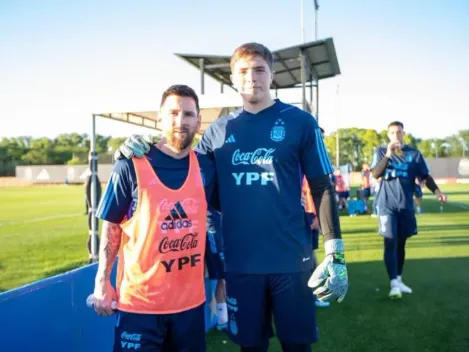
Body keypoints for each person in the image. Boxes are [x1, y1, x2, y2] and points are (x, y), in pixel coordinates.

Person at [117, 42, 348, 352]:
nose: (251, 77)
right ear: (233, 79)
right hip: (240, 264)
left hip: (292, 261)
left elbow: (322, 188)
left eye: (259, 70)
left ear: (272, 74)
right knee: (251, 347)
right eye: (243, 71)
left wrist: (336, 251)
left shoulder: (300, 122)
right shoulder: (218, 132)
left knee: (297, 346)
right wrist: (142, 146)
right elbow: (181, 165)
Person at [92, 84, 223, 351]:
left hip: (190, 306)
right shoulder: (129, 163)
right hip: (140, 305)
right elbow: (111, 226)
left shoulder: (207, 167)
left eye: (188, 114)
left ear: (198, 121)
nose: (180, 121)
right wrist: (101, 280)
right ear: (159, 118)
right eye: (173, 113)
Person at [371, 121, 447, 300]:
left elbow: (425, 176)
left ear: (403, 133)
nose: (396, 135)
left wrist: (437, 192)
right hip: (386, 205)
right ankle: (393, 284)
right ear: (388, 135)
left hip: (405, 205)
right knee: (390, 242)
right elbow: (375, 173)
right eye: (392, 132)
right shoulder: (381, 152)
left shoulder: (414, 154)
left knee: (402, 243)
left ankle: (398, 279)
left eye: (398, 132)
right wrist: (388, 155)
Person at [301, 177, 330, 308]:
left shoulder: (310, 168)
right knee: (305, 257)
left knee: (309, 256)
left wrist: (318, 216)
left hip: (309, 215)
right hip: (298, 214)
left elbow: (320, 192)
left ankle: (312, 295)